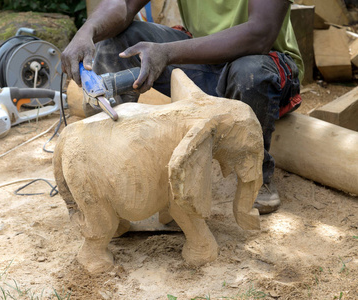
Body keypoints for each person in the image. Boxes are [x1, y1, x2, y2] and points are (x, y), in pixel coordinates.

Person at [60, 0, 304, 214]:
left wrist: (166, 53)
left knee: (250, 74)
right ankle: (112, 170)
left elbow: (260, 34)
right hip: (203, 55)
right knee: (118, 42)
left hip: (264, 62)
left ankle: (257, 174)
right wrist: (87, 31)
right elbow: (123, 4)